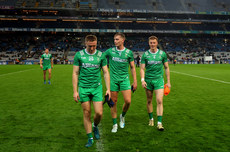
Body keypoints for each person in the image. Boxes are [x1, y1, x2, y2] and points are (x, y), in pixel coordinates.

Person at [72, 35, 110, 148]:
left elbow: (106, 72)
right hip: (83, 88)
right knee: (87, 112)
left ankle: (95, 126)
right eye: (90, 46)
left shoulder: (101, 55)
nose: (92, 48)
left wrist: (108, 89)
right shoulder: (79, 55)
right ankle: (90, 138)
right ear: (85, 43)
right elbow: (75, 73)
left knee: (99, 113)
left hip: (97, 88)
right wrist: (75, 91)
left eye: (94, 46)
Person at [104, 33, 137, 133]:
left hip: (124, 79)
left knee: (128, 101)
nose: (115, 41)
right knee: (113, 103)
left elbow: (132, 67)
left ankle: (122, 116)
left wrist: (135, 81)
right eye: (114, 39)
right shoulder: (110, 51)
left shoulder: (128, 53)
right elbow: (100, 57)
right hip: (113, 80)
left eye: (117, 39)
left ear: (123, 40)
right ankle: (114, 124)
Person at [140, 36, 171, 131]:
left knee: (159, 101)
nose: (152, 44)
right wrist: (142, 80)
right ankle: (151, 119)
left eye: (154, 42)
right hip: (148, 80)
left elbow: (166, 67)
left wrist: (168, 81)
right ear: (149, 43)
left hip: (159, 80)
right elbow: (142, 68)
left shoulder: (162, 54)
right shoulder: (145, 55)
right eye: (151, 43)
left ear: (157, 43)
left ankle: (159, 123)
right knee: (149, 100)